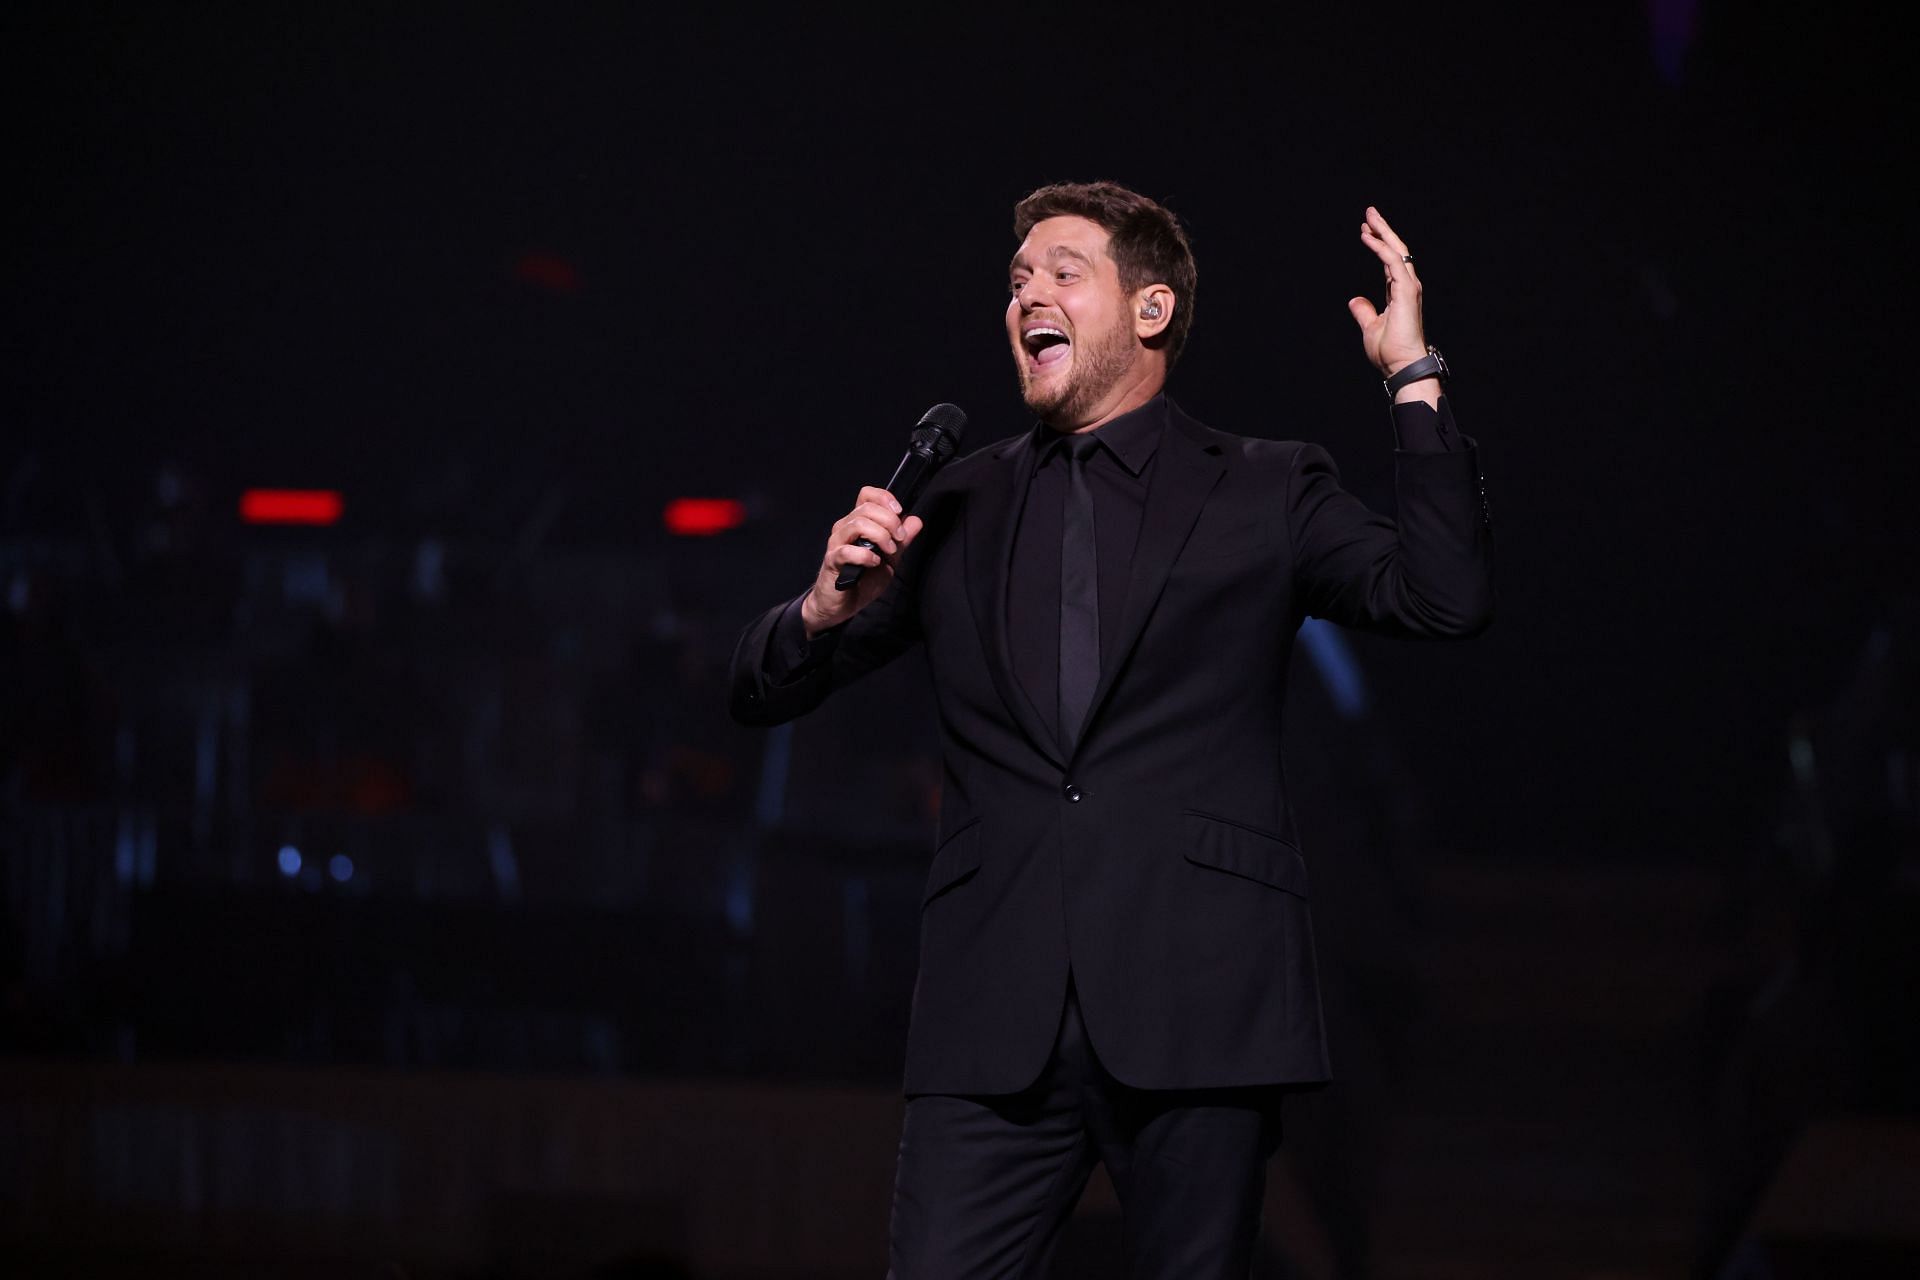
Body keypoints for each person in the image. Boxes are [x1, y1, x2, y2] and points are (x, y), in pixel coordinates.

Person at [728, 180, 1493, 1279]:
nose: (1027, 294)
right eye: (1016, 281)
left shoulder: (1267, 486)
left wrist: (1414, 380)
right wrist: (819, 609)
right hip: (993, 1019)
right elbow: (760, 692)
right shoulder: (954, 504)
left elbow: (1444, 597)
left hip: (1199, 1004)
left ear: (1151, 311)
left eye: (1061, 272)